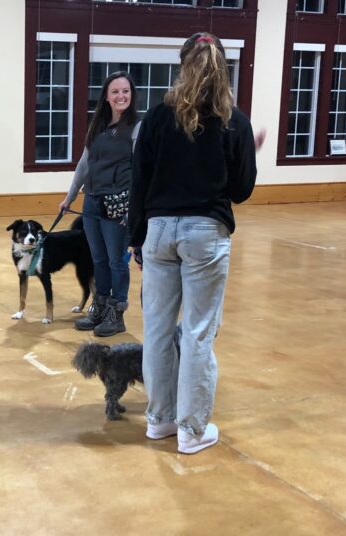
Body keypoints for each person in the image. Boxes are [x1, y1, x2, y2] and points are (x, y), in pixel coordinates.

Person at [129, 33, 259, 454]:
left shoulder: (155, 118)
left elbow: (139, 182)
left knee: (158, 330)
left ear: (183, 64)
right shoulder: (234, 121)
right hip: (205, 233)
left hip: (159, 231)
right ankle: (191, 429)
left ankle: (159, 420)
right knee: (199, 333)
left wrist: (135, 240)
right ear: (224, 68)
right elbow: (241, 189)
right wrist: (246, 153)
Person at [59, 72, 141, 337]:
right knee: (98, 259)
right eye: (115, 91)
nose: (121, 96)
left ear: (132, 95)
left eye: (125, 91)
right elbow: (84, 165)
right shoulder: (97, 126)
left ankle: (116, 314)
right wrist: (69, 197)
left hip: (118, 204)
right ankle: (100, 305)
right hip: (92, 202)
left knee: (118, 261)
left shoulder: (136, 127)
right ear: (106, 96)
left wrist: (137, 206)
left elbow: (142, 169)